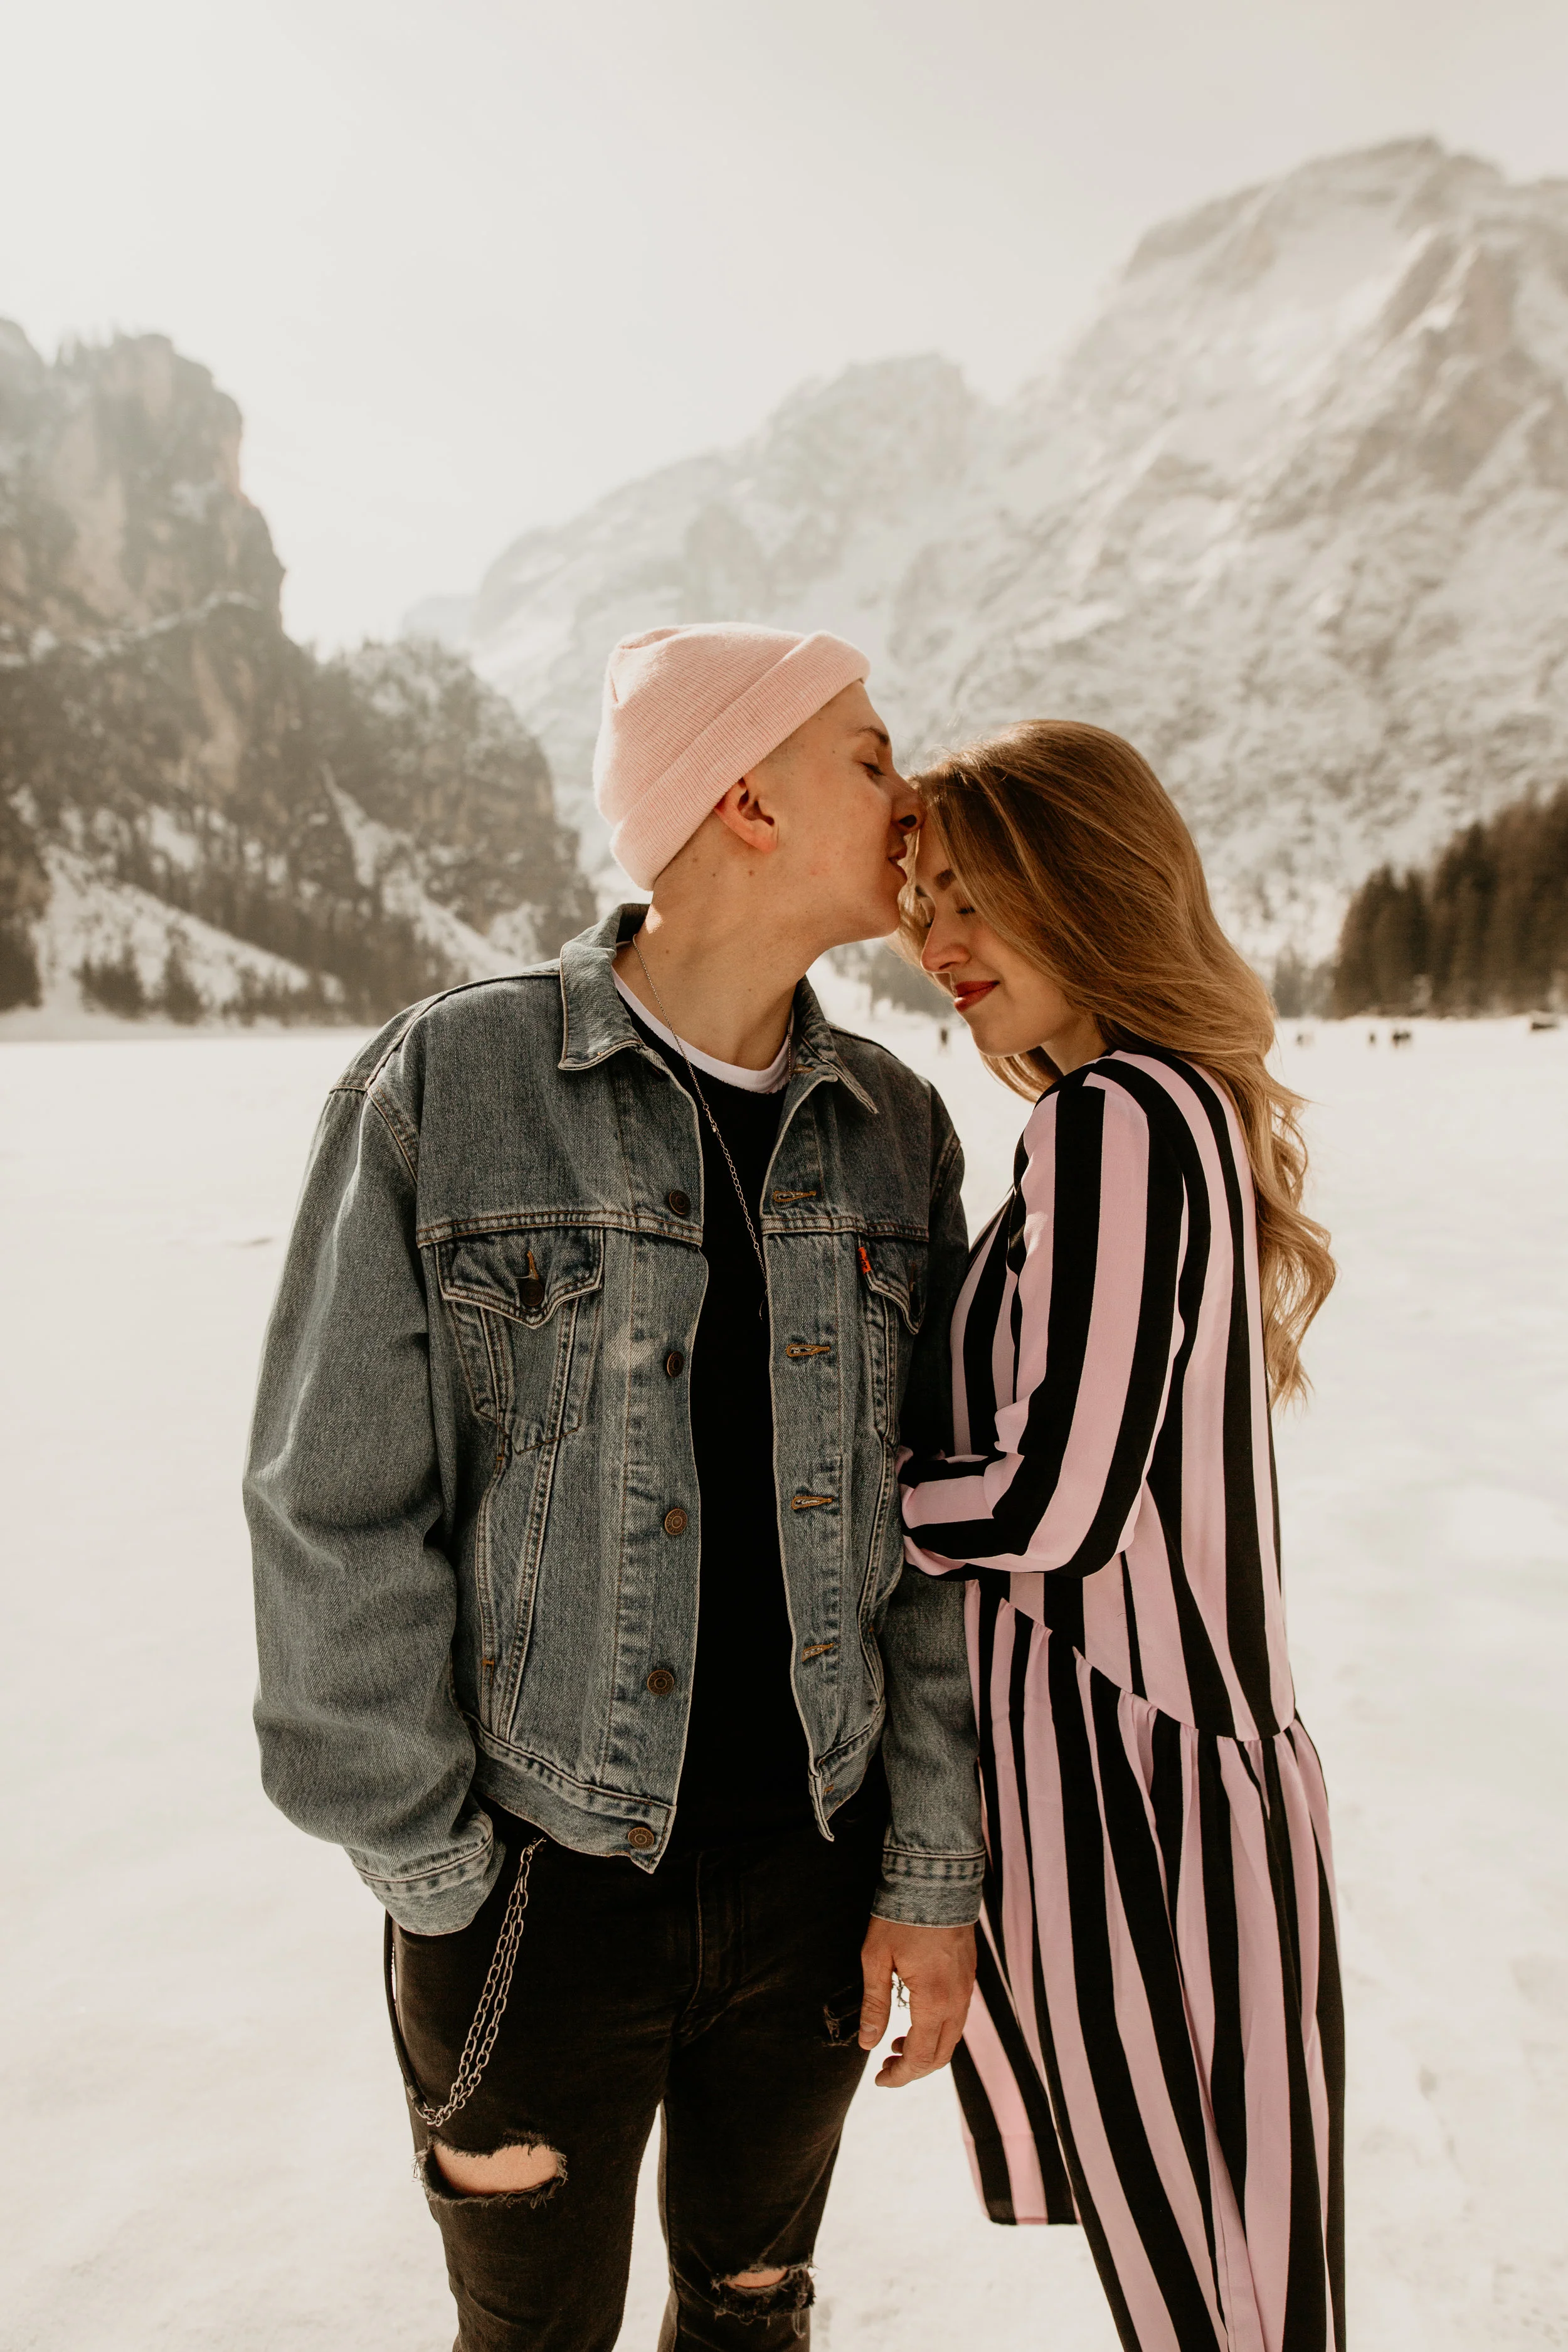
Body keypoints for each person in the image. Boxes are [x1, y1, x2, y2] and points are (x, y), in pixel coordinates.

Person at [245, 622, 983, 2352]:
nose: (911, 793)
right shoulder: (456, 1082)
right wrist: (444, 1873)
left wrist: (927, 1867)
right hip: (539, 1892)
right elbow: (328, 1501)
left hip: (813, 1877)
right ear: (741, 794)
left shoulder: (897, 1129)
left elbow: (934, 1548)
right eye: (869, 755)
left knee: (750, 2313)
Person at [898, 721, 1344, 2352]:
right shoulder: (1151, 1113)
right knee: (1235, 2299)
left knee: (1223, 2312)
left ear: (1086, 886)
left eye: (979, 896)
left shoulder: (1116, 1122)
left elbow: (1052, 1502)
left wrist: (837, 1502)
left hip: (1143, 1809)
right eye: (925, 898)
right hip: (1158, 1791)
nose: (940, 943)